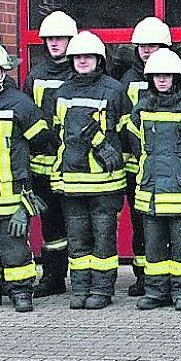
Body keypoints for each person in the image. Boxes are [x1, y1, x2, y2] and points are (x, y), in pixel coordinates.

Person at [124, 49, 181, 311]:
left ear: (177, 78)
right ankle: (156, 292)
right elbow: (136, 144)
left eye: (167, 76)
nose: (162, 80)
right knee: (154, 249)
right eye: (157, 76)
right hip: (151, 192)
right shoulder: (141, 109)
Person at [52, 31, 127, 310]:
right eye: (78, 57)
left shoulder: (114, 90)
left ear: (99, 59)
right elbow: (57, 133)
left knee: (104, 238)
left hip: (105, 182)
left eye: (88, 57)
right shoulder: (63, 92)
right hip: (71, 181)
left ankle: (102, 290)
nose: (82, 61)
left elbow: (125, 133)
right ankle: (80, 288)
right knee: (77, 239)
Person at [0, 43, 51, 312]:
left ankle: (21, 291)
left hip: (12, 194)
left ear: (3, 71)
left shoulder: (20, 103)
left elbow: (42, 140)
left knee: (15, 250)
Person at [23, 10, 77, 297]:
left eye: (61, 38)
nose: (55, 43)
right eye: (50, 39)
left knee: (79, 222)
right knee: (51, 223)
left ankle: (81, 277)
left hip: (74, 165)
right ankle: (54, 277)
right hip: (43, 164)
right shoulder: (36, 76)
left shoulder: (80, 72)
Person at [119, 16, 173, 296]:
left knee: (172, 222)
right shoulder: (127, 80)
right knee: (142, 223)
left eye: (152, 46)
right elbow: (121, 122)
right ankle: (143, 276)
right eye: (142, 46)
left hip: (169, 166)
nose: (146, 51)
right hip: (136, 166)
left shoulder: (175, 80)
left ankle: (171, 276)